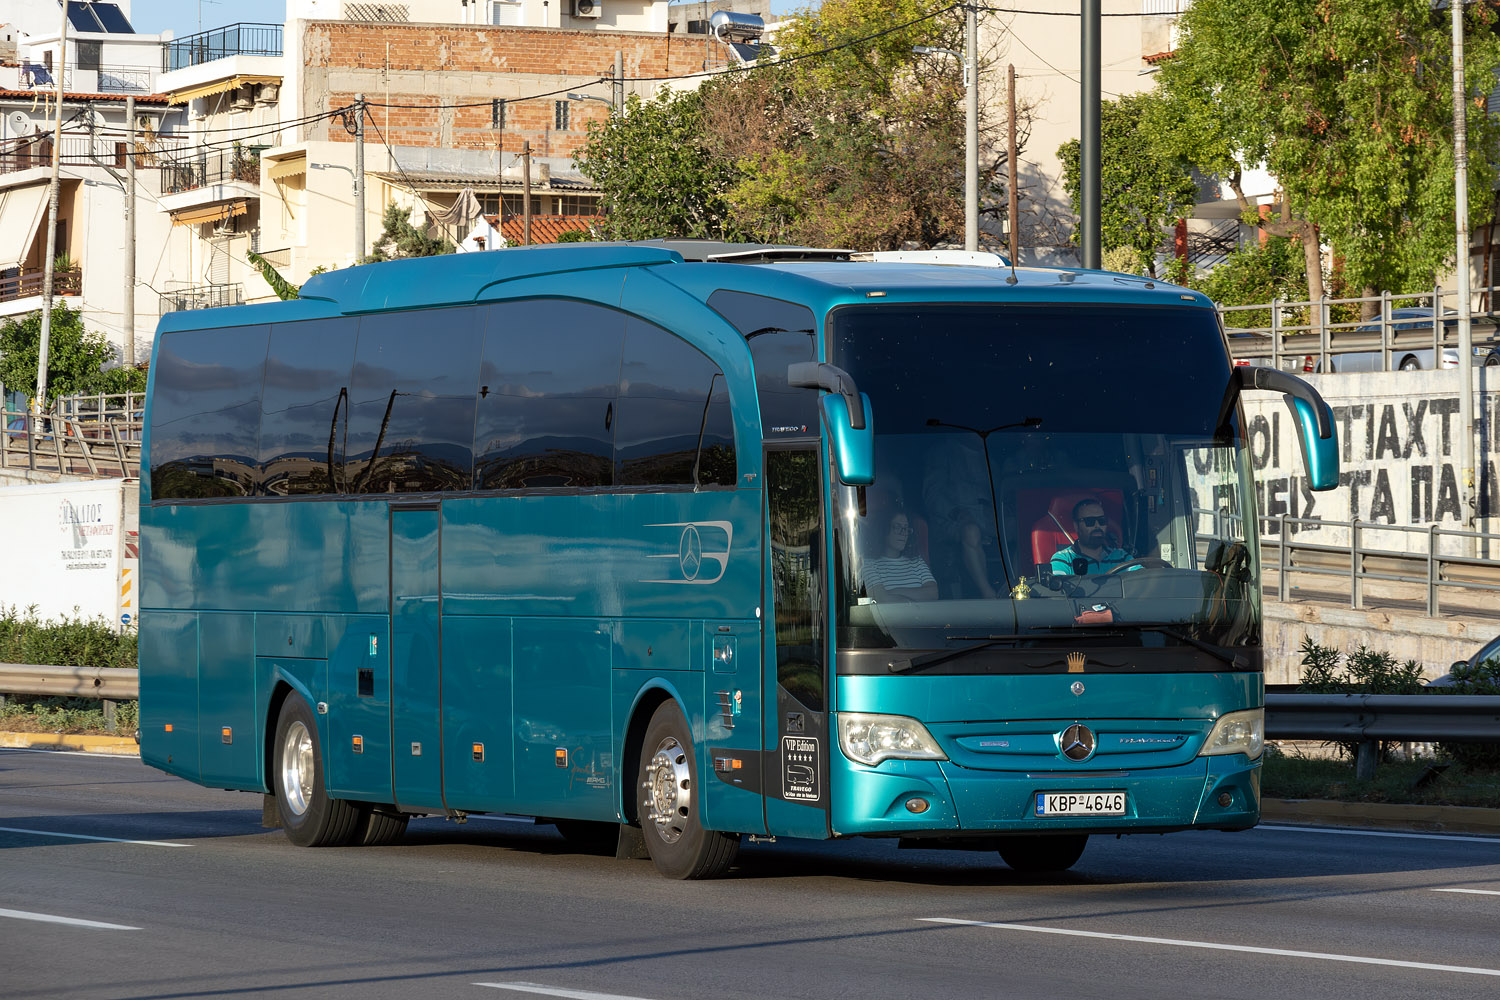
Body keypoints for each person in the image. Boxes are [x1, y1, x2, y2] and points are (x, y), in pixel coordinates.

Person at [862, 510, 938, 602]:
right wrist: (917, 597)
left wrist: (893, 592)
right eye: (897, 527)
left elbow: (933, 593)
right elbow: (881, 598)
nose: (903, 533)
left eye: (906, 528)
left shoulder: (917, 561)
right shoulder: (869, 564)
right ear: (884, 529)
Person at [1049, 497, 1132, 575]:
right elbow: (1058, 589)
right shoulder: (1064, 560)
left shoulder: (1122, 557)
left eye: (1101, 520)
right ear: (1076, 526)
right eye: (1090, 521)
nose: (1097, 525)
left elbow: (1141, 582)